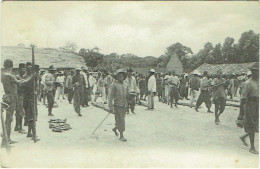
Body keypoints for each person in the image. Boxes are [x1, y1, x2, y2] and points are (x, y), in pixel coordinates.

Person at [1, 59, 35, 145]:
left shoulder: (3, 75)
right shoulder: (9, 75)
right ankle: (6, 139)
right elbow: (20, 82)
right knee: (9, 119)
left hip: (7, 97)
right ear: (11, 66)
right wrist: (31, 77)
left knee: (9, 119)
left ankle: (6, 138)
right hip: (11, 98)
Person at [238, 62, 259, 154]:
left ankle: (244, 137)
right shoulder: (247, 83)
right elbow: (243, 99)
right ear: (252, 71)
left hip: (257, 105)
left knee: (254, 125)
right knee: (251, 125)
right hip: (250, 105)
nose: (257, 73)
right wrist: (241, 114)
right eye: (255, 71)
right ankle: (252, 147)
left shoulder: (258, 82)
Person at [109, 69, 128, 142]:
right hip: (117, 105)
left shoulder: (125, 85)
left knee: (121, 119)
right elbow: (110, 96)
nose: (121, 77)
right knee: (121, 120)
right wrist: (110, 107)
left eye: (122, 76)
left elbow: (127, 95)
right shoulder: (114, 85)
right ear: (117, 77)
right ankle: (121, 135)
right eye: (119, 76)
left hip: (124, 105)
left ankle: (115, 128)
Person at [23, 62, 40, 141]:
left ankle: (29, 132)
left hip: (32, 97)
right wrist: (33, 77)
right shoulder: (25, 77)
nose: (30, 69)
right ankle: (34, 134)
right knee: (32, 116)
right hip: (28, 98)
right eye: (28, 68)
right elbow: (26, 85)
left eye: (31, 68)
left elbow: (36, 85)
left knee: (31, 116)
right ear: (26, 69)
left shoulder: (31, 76)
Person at [14, 63, 27, 134]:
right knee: (20, 112)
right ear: (19, 69)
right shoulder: (17, 77)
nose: (24, 71)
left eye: (25, 69)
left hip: (20, 95)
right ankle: (20, 128)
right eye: (23, 69)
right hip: (18, 96)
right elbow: (19, 87)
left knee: (18, 112)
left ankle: (16, 126)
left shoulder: (22, 77)